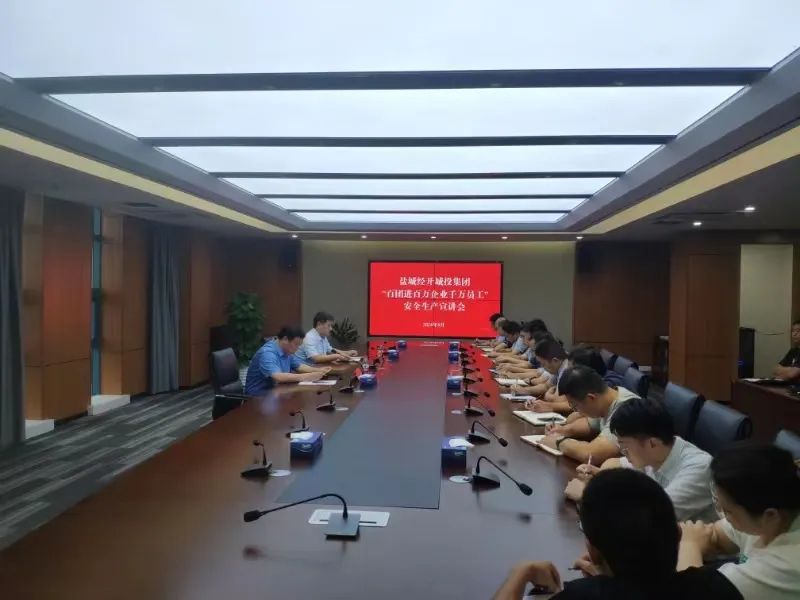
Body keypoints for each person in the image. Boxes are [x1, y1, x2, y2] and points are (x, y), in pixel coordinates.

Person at [492, 469, 743, 600]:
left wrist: (520, 574)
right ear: (677, 534)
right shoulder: (720, 588)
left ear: (592, 551)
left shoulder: (584, 595)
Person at [564, 397, 717, 522]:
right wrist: (598, 476)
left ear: (652, 443)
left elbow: (649, 518)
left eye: (625, 446)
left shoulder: (698, 468)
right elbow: (615, 464)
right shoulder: (656, 452)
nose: (622, 452)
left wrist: (588, 495)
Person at [679, 443, 800, 600]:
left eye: (728, 511)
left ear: (770, 515)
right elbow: (713, 536)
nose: (724, 516)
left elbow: (692, 594)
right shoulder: (767, 514)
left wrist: (689, 544)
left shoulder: (784, 565)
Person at [535, 365, 638, 463]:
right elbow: (589, 424)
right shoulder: (607, 399)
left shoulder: (627, 412)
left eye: (575, 406)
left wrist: (559, 442)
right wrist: (563, 430)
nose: (576, 411)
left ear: (591, 398)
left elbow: (591, 455)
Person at [244, 326, 332, 395]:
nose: (297, 348)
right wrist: (308, 376)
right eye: (296, 344)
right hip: (258, 396)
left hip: (277, 391)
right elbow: (279, 377)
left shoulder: (286, 350)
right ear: (285, 339)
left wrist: (318, 371)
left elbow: (299, 366)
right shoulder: (267, 353)